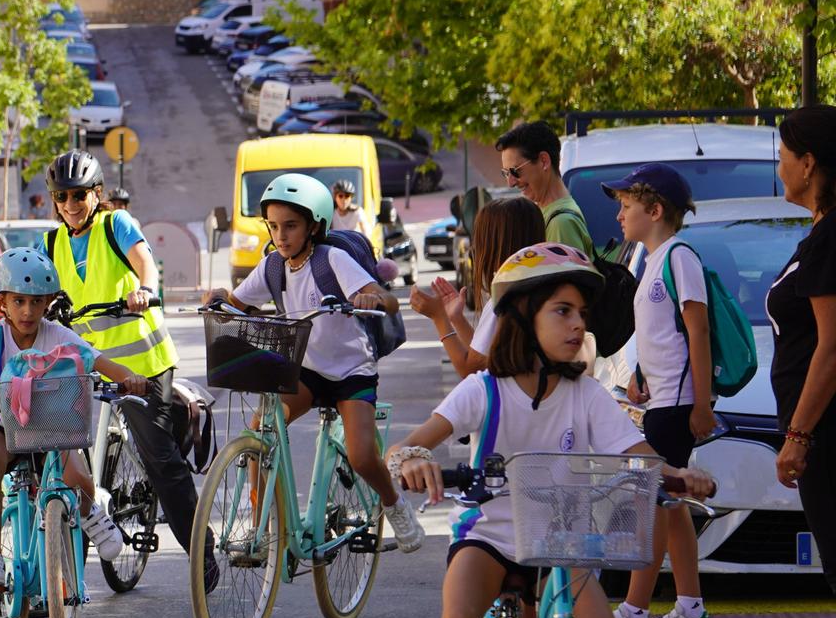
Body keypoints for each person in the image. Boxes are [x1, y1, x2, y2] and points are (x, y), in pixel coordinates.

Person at [386, 244, 716, 618]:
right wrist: (412, 457)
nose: (577, 324)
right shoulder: (483, 390)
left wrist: (675, 474)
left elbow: (634, 452)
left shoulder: (586, 394)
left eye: (582, 314)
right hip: (489, 532)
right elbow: (416, 439)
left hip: (560, 541)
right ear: (523, 318)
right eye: (562, 311)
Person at [208, 173, 423, 552]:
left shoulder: (332, 260)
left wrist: (372, 299)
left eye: (290, 226)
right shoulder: (274, 266)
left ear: (314, 226)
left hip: (351, 372)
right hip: (306, 370)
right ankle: (260, 527)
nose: (281, 235)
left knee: (361, 456)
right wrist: (220, 297)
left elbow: (385, 298)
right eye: (274, 226)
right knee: (261, 430)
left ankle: (394, 502)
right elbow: (238, 302)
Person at [0, 246, 149, 594]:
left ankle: (92, 515)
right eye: (19, 301)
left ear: (48, 303)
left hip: (52, 426)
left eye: (37, 302)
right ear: (3, 302)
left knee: (78, 478)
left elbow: (99, 361)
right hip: (3, 423)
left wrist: (130, 376)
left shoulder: (57, 334)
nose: (28, 311)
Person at [40, 150, 200, 569]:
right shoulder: (51, 242)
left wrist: (144, 291)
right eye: (62, 197)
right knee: (53, 450)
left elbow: (146, 262)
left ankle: (202, 551)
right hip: (90, 365)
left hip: (144, 364)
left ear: (97, 194)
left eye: (79, 195)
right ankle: (53, 581)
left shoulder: (116, 224)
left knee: (162, 460)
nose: (71, 205)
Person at [603, 166, 714, 618]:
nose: (619, 213)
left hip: (678, 404)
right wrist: (639, 377)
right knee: (670, 508)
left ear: (656, 210)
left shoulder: (679, 257)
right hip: (661, 400)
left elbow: (697, 331)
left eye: (627, 205)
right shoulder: (650, 261)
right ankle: (691, 608)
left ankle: (633, 612)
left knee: (649, 502)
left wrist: (702, 403)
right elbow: (660, 336)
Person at [769, 107, 836, 618]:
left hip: (827, 438)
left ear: (809, 163)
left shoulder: (828, 241)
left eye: (783, 153)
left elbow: (830, 347)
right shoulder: (817, 236)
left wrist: (799, 434)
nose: (778, 166)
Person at [410, 196, 545, 376]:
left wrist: (439, 318)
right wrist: (456, 318)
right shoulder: (536, 287)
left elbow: (471, 370)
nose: (474, 246)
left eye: (479, 237)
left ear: (494, 244)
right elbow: (483, 354)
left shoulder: (506, 297)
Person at [495, 121, 596, 254]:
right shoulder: (551, 214)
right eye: (506, 173)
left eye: (515, 171)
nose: (511, 183)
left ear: (544, 161)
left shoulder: (560, 223)